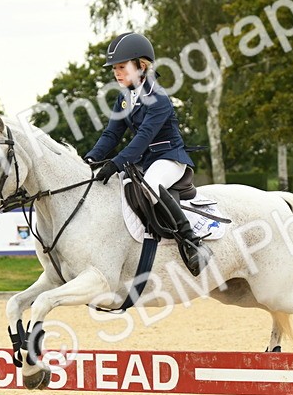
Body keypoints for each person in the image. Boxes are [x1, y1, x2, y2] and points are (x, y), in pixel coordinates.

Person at [84, 32, 210, 276]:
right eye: (114, 68)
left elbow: (143, 139)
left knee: (150, 186)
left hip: (170, 157)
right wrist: (90, 159)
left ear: (141, 66)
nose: (116, 73)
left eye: (122, 67)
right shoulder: (123, 99)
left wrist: (116, 163)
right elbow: (111, 135)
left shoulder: (158, 98)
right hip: (144, 161)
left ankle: (193, 242)